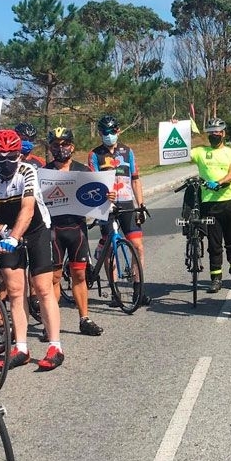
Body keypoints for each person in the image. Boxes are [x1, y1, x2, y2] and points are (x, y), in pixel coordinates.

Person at [0, 129, 64, 371]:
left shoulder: (27, 171)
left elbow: (28, 210)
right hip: (7, 232)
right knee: (14, 290)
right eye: (1, 157)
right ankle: (21, 347)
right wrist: (0, 229)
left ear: (19, 155)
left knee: (43, 288)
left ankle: (55, 345)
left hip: (36, 230)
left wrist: (13, 236)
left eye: (13, 156)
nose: (7, 162)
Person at [46, 127, 105, 336]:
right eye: (55, 145)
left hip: (76, 228)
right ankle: (51, 324)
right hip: (53, 230)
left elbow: (99, 197)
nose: (60, 148)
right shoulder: (43, 173)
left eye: (64, 144)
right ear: (50, 147)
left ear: (72, 146)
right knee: (54, 277)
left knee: (79, 274)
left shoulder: (83, 170)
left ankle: (84, 318)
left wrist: (109, 198)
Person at [88, 115, 149, 291]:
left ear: (118, 130)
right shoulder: (94, 155)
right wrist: (104, 197)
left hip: (127, 203)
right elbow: (93, 183)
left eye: (112, 131)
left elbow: (136, 179)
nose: (109, 135)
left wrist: (141, 205)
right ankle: (114, 291)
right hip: (106, 206)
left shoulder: (127, 151)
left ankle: (138, 288)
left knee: (138, 247)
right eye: (105, 132)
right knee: (110, 249)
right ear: (100, 133)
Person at [188, 118, 231, 293]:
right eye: (211, 132)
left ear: (224, 133)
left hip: (229, 201)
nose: (215, 135)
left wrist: (219, 182)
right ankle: (216, 279)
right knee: (214, 243)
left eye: (218, 132)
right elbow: (178, 151)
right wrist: (177, 128)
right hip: (209, 204)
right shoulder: (200, 152)